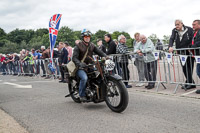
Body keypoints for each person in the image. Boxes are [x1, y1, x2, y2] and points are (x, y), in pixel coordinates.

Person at [72, 29, 107, 102]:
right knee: (84, 78)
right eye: (85, 36)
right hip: (80, 67)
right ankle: (82, 95)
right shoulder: (78, 46)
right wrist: (80, 64)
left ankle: (99, 92)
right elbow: (74, 58)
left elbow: (99, 52)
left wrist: (105, 56)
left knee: (100, 75)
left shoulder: (92, 45)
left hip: (89, 66)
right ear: (83, 37)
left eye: (89, 36)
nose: (87, 37)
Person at [169, 19, 195, 90]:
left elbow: (193, 38)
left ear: (182, 23)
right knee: (184, 68)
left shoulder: (189, 29)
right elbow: (172, 38)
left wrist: (191, 47)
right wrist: (170, 46)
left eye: (178, 24)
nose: (176, 26)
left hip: (189, 50)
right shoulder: (174, 30)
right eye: (175, 25)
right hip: (181, 52)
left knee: (190, 67)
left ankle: (189, 82)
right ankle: (190, 83)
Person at [190, 20, 200, 94]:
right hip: (197, 55)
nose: (193, 26)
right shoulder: (195, 33)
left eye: (194, 24)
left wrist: (192, 47)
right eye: (192, 24)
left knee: (198, 71)